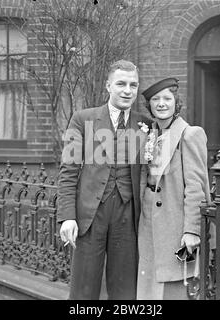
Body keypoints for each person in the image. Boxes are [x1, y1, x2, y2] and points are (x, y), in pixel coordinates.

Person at [57, 60, 151, 300]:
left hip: (127, 214)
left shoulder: (146, 125)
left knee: (125, 289)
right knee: (84, 289)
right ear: (108, 86)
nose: (127, 90)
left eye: (133, 85)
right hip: (91, 214)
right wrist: (68, 216)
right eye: (121, 84)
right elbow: (68, 171)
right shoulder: (81, 119)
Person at [137, 78, 211, 300]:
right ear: (149, 105)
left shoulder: (189, 134)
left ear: (176, 103)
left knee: (175, 285)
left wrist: (191, 230)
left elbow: (196, 187)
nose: (161, 104)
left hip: (174, 223)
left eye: (167, 99)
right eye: (155, 100)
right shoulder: (151, 134)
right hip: (148, 220)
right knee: (150, 282)